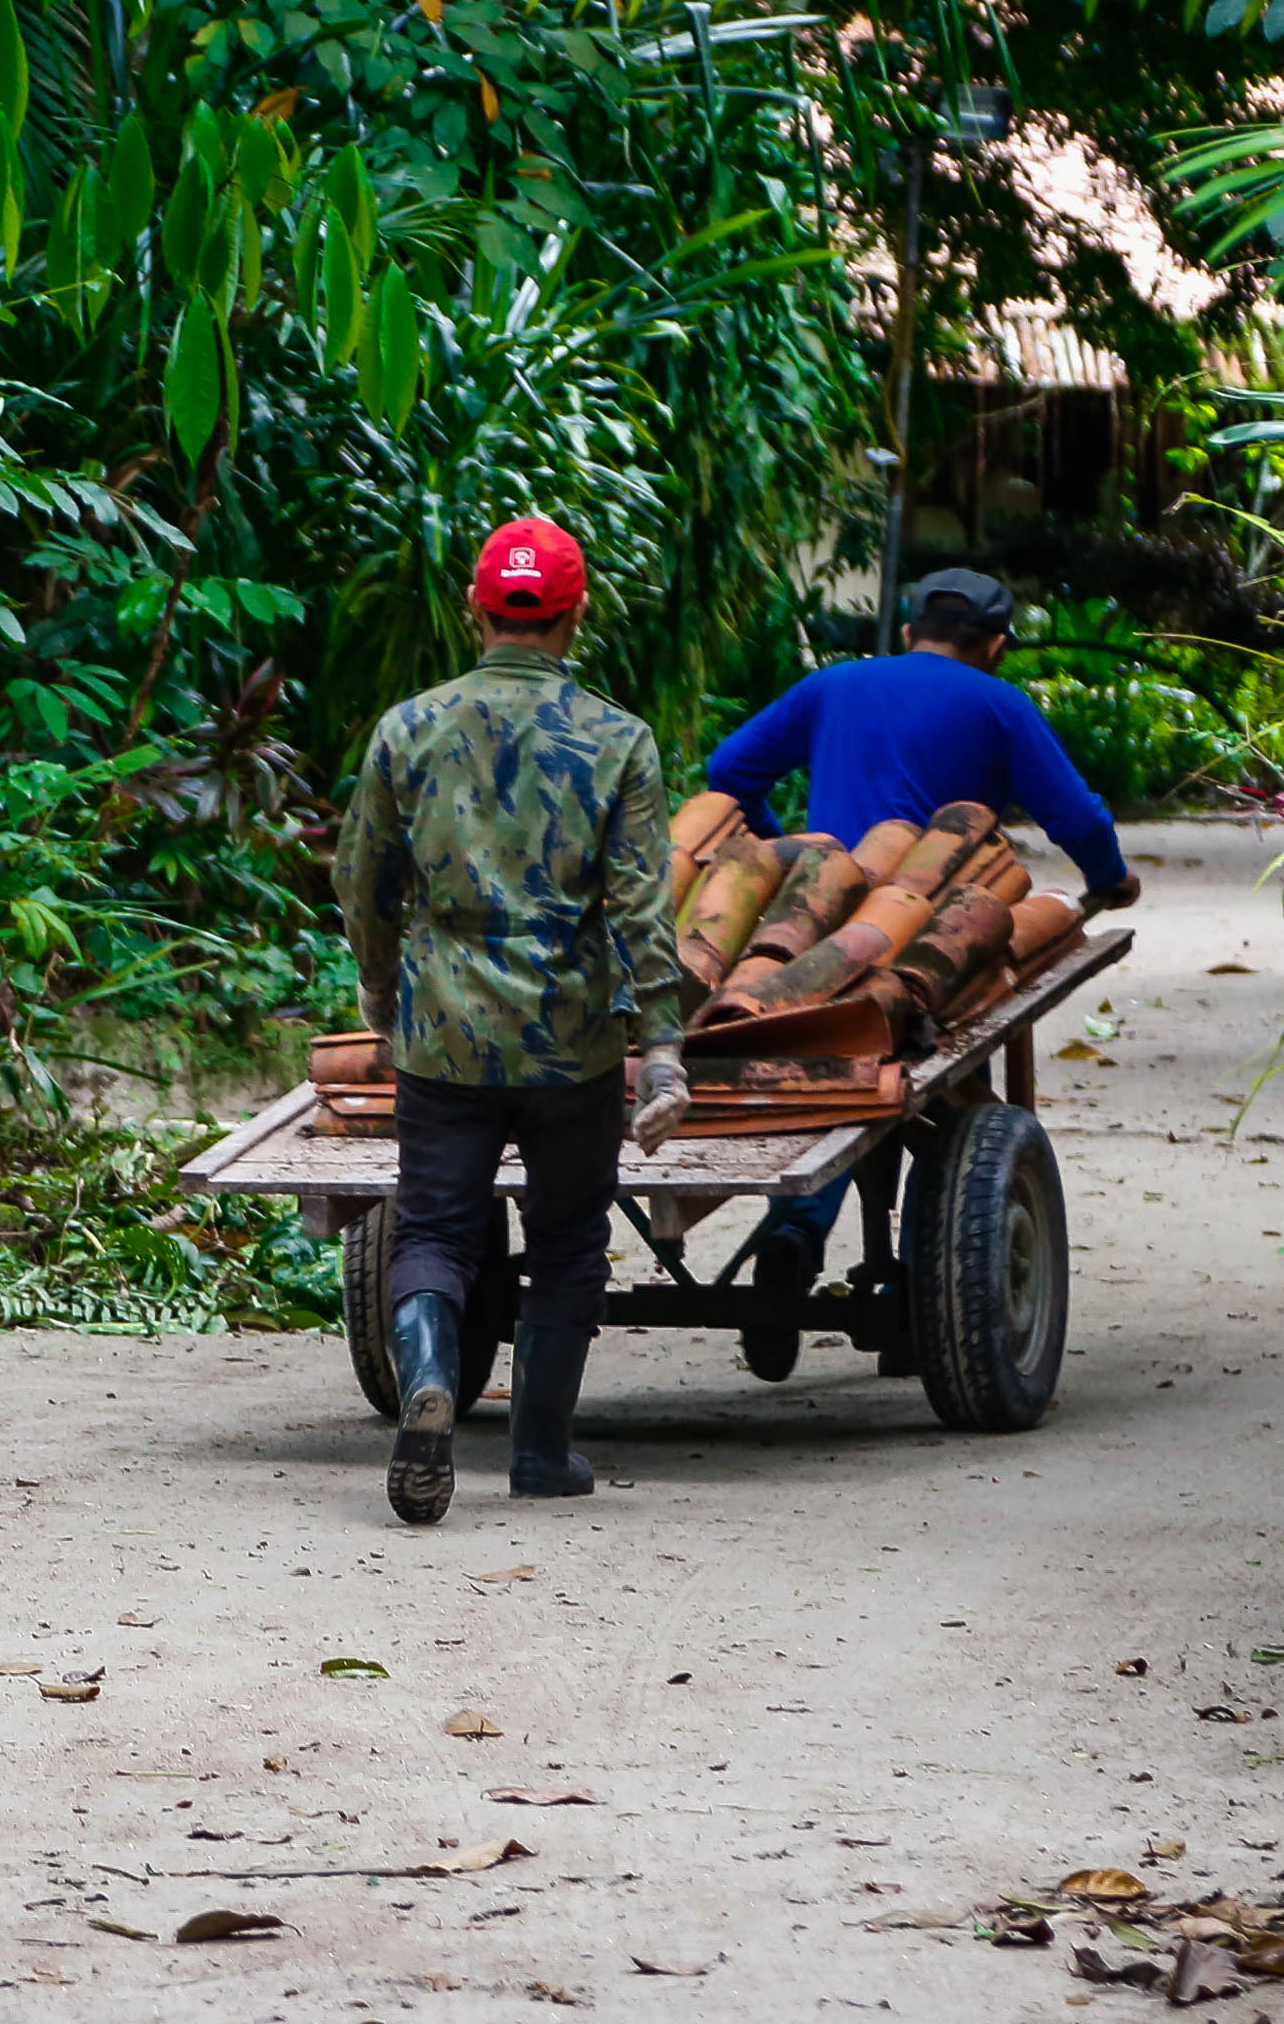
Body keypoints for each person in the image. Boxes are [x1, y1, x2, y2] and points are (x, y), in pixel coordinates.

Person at [334, 517, 693, 1524]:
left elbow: (365, 882)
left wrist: (379, 989)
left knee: (435, 1230)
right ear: (577, 617)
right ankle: (538, 1453)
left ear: (474, 610)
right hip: (571, 1037)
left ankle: (431, 1379)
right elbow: (640, 904)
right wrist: (663, 1043)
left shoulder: (408, 728)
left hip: (442, 1030)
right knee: (569, 1238)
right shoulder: (617, 739)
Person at [700, 567, 1142, 1365]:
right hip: (931, 942)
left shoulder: (835, 685)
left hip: (817, 935)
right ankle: (921, 1288)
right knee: (939, 1101)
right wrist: (1109, 879)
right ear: (996, 645)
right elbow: (1076, 816)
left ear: (908, 632)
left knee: (835, 1079)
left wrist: (788, 855)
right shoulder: (998, 704)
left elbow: (729, 770)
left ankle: (794, 1236)